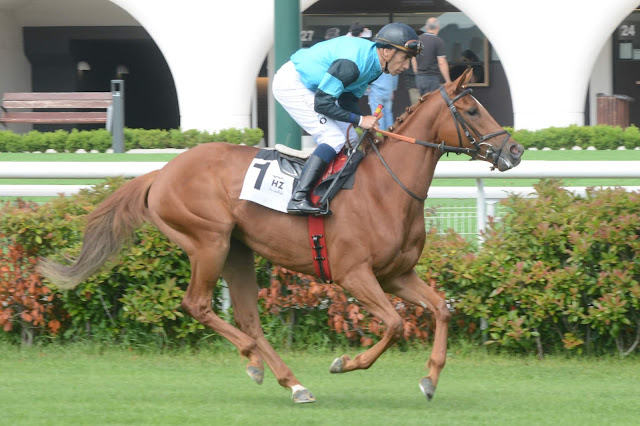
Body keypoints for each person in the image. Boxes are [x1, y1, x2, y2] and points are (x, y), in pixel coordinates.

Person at [272, 22, 423, 215]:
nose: (406, 66)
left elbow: (347, 99)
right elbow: (322, 104)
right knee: (333, 138)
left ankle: (335, 193)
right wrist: (360, 120)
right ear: (387, 52)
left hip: (316, 90)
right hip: (293, 83)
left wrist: (364, 124)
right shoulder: (351, 65)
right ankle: (298, 198)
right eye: (405, 58)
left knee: (351, 138)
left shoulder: (376, 66)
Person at [412, 17, 451, 96]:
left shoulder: (418, 40)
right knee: (431, 102)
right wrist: (448, 80)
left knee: (422, 101)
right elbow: (442, 62)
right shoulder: (438, 41)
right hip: (432, 78)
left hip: (419, 78)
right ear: (438, 27)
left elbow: (413, 59)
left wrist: (417, 73)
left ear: (426, 27)